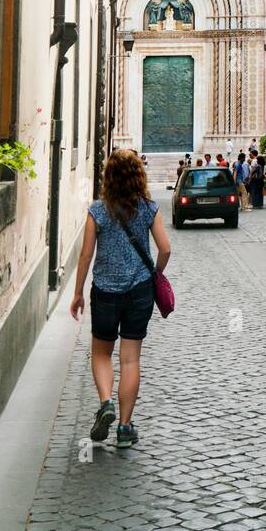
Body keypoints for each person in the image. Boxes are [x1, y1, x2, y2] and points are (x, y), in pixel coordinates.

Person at [70, 150, 171, 449]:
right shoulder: (149, 208)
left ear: (109, 176)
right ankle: (125, 428)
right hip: (139, 291)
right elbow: (165, 249)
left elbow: (86, 255)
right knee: (130, 358)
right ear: (138, 174)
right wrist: (154, 274)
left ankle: (106, 403)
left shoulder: (98, 211)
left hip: (105, 291)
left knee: (101, 353)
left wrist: (77, 293)